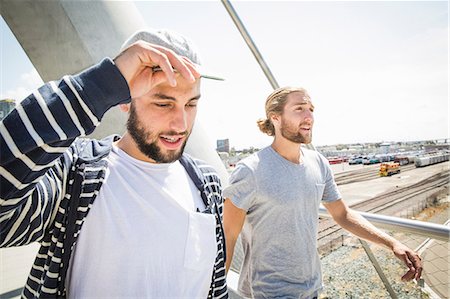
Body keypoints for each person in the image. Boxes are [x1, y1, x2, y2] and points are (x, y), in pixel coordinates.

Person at [0, 28, 228, 298]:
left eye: (191, 104)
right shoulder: (75, 171)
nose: (181, 124)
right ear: (124, 100)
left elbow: (214, 284)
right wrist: (100, 86)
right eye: (163, 104)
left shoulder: (206, 181)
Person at [223, 87, 422, 298]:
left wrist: (392, 243)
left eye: (310, 109)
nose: (309, 116)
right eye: (299, 109)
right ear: (275, 117)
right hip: (267, 292)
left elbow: (342, 214)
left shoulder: (318, 163)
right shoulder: (251, 170)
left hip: (312, 288)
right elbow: (228, 236)